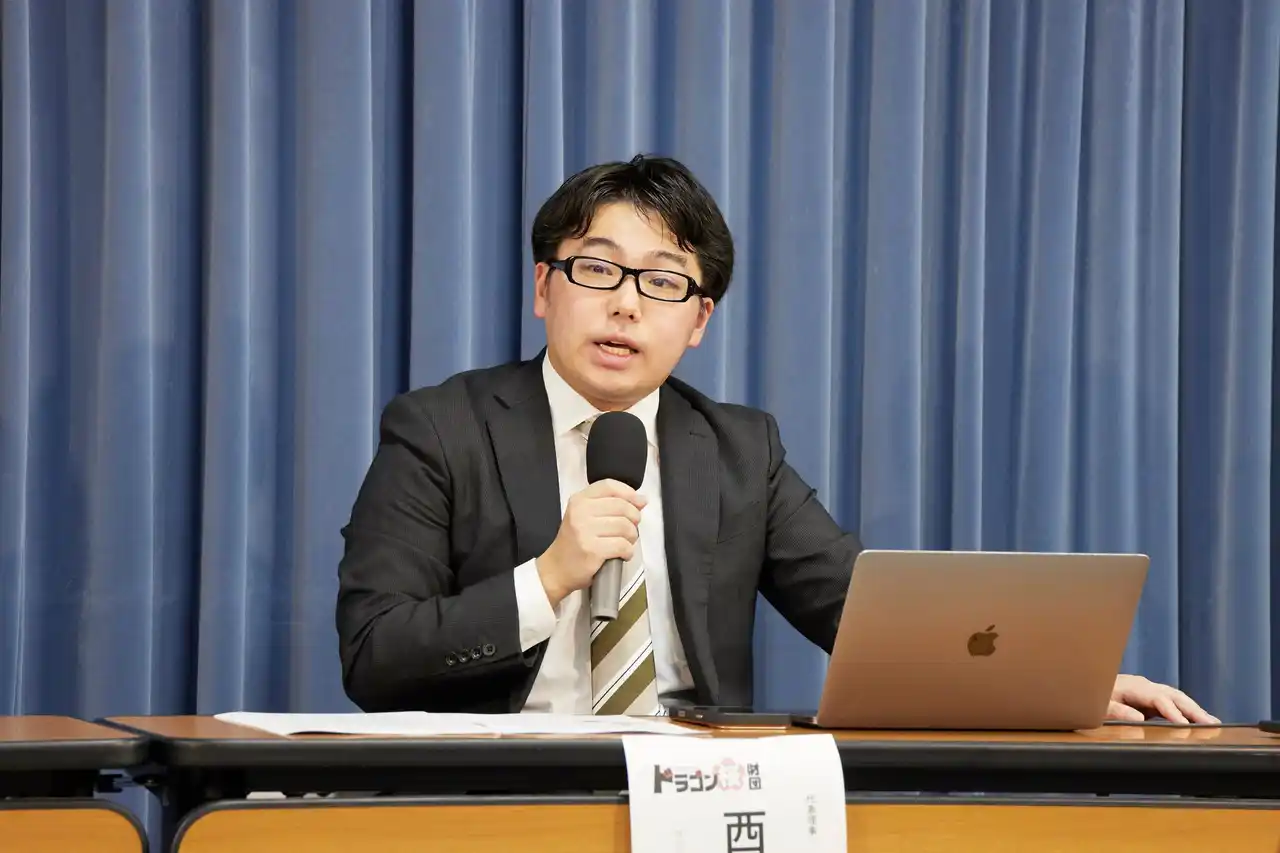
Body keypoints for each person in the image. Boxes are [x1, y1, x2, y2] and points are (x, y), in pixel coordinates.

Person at [335, 153, 1217, 725]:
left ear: (699, 321)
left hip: (696, 791)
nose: (626, 303)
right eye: (597, 269)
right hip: (499, 791)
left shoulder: (735, 449)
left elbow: (868, 614)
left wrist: (1063, 684)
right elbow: (374, 657)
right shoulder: (441, 428)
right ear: (544, 287)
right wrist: (550, 575)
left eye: (663, 282)